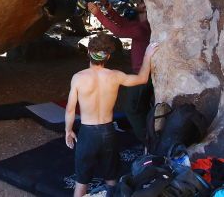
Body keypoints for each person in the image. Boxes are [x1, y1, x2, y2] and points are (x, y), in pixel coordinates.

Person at [65, 34, 160, 197]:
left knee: (81, 183)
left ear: (88, 52)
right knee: (111, 180)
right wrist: (147, 55)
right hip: (108, 132)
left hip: (87, 134)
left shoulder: (78, 78)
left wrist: (68, 130)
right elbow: (143, 79)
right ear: (108, 56)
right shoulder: (115, 75)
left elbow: (70, 109)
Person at [88, 0, 153, 147]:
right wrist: (109, 10)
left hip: (143, 76)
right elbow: (123, 24)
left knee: (131, 109)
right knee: (141, 106)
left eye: (142, 2)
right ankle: (149, 135)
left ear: (147, 8)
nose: (138, 3)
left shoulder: (143, 28)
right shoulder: (140, 25)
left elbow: (119, 31)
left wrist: (97, 13)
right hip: (144, 73)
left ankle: (148, 142)